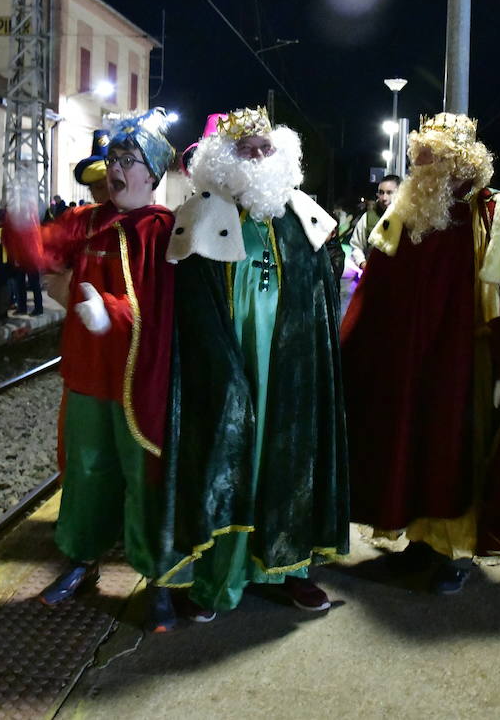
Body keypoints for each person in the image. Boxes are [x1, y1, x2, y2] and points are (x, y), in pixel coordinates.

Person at [159, 106, 348, 618]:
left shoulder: (303, 218)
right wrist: (222, 372)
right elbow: (191, 312)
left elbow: (321, 304)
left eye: (267, 148)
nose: (261, 157)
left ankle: (290, 569)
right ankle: (220, 577)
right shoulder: (199, 217)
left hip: (289, 370)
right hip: (228, 369)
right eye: (248, 149)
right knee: (226, 463)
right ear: (224, 160)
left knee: (289, 460)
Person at [339, 111, 500, 593]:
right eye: (418, 161)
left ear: (458, 162)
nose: (420, 171)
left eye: (430, 161)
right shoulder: (409, 209)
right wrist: (351, 349)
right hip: (410, 359)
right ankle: (421, 542)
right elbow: (375, 288)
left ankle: (454, 551)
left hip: (466, 362)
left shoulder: (493, 212)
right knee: (413, 446)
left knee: (454, 450)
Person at [4, 111, 178, 629]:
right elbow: (35, 250)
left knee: (145, 475)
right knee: (85, 471)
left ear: (153, 174)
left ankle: (158, 576)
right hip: (87, 377)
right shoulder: (88, 220)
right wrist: (18, 215)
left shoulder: (163, 229)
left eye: (131, 161)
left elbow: (165, 306)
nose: (118, 171)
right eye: (116, 160)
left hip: (140, 382)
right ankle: (81, 559)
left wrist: (114, 312)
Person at [348, 174, 400, 269]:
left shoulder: (406, 219)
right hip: (373, 275)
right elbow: (356, 245)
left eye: (389, 193)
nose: (384, 198)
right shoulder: (367, 217)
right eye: (381, 192)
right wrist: (362, 263)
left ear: (399, 194)